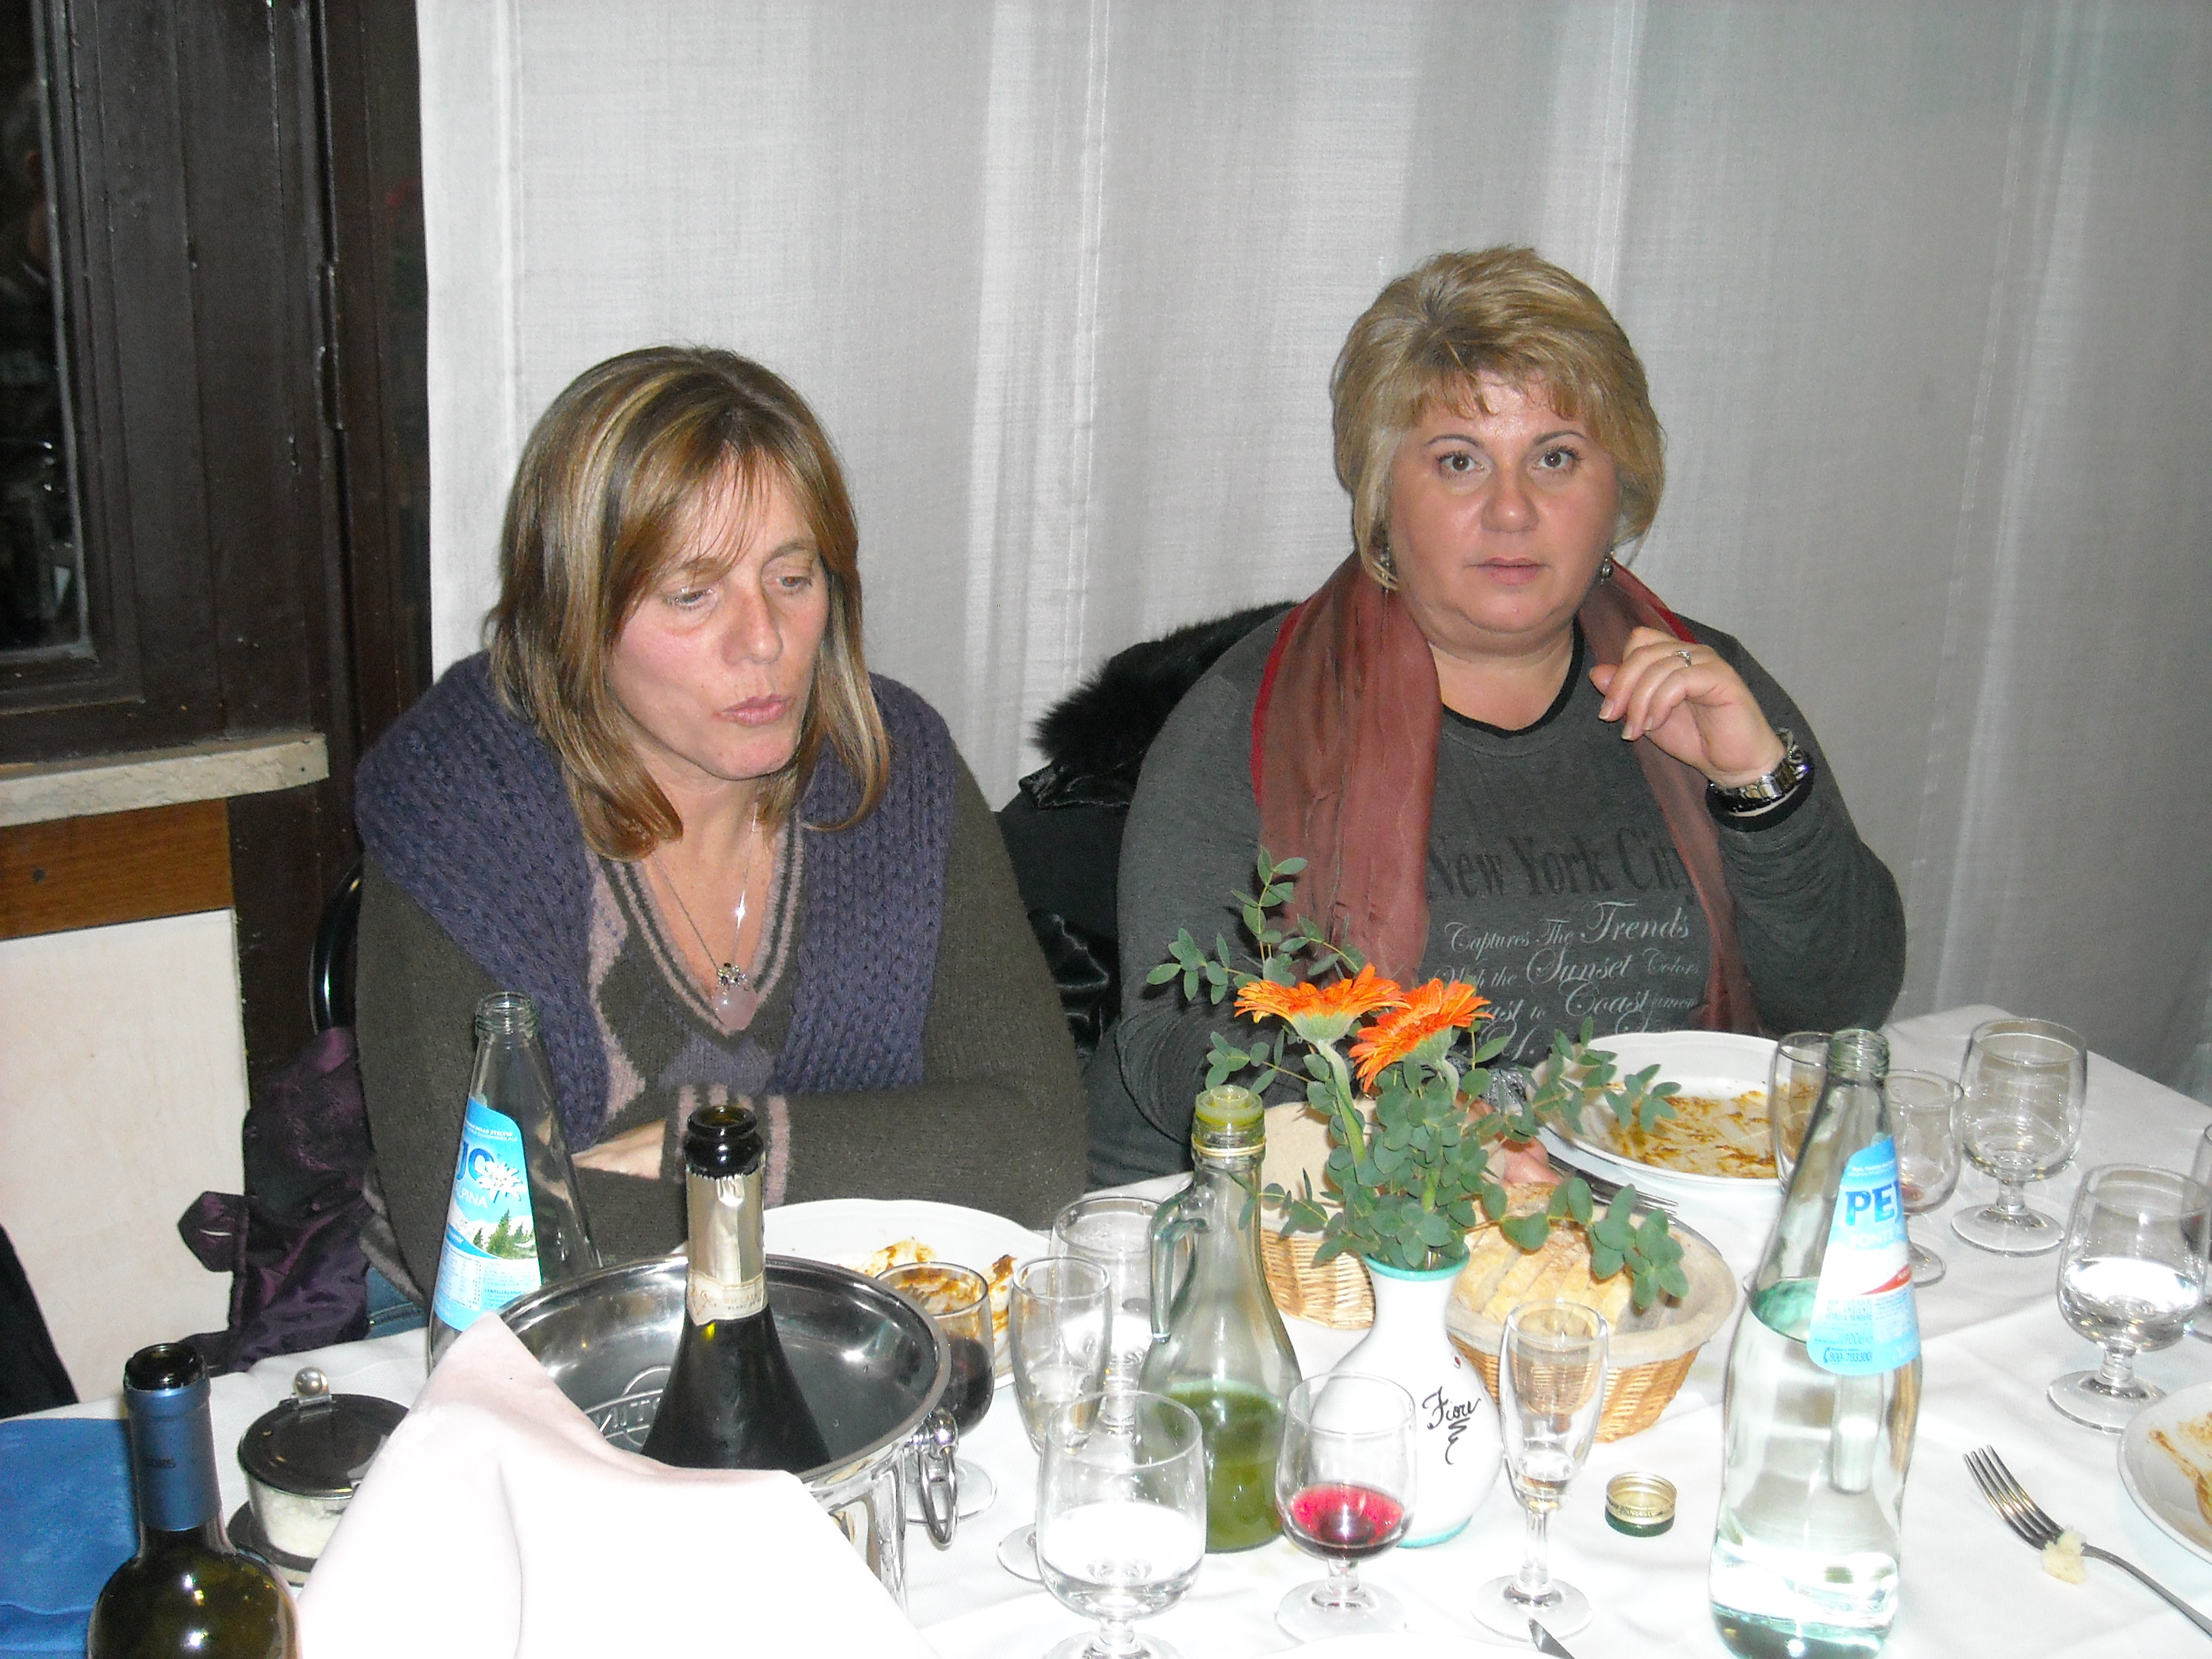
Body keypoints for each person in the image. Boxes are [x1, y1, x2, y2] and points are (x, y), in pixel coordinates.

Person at [1090, 247, 1906, 1183]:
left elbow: (1844, 1009)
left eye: (1556, 458)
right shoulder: (1249, 720)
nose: (1512, 511)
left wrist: (1760, 791)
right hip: (1336, 1219)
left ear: (1619, 486)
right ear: (1382, 498)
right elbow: (1178, 1040)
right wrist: (1410, 1128)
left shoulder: (1703, 682)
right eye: (1459, 462)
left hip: (1656, 1210)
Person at [353, 346, 1085, 1299]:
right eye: (693, 594)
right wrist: (890, 1159)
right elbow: (497, 1243)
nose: (765, 640)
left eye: (793, 577)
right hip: (499, 1341)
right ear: (576, 612)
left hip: (849, 1302)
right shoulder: (461, 809)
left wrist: (719, 1147)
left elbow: (1037, 1154)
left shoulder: (894, 771)